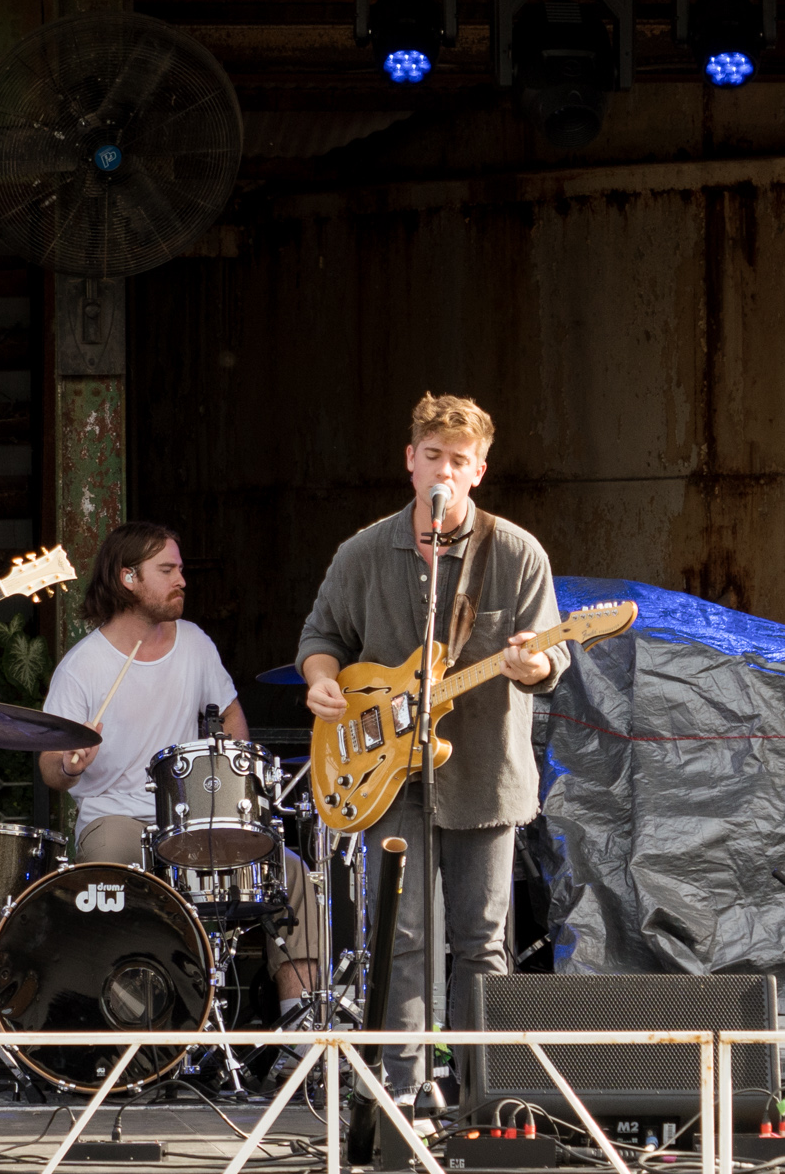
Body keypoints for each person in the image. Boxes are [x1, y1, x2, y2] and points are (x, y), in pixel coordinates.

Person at [296, 394, 566, 1048]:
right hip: (384, 775)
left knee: (482, 939)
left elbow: (555, 651)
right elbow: (320, 635)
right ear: (411, 461)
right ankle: (403, 1090)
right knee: (403, 938)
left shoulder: (517, 551)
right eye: (434, 456)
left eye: (461, 460)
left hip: (483, 773)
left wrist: (536, 667)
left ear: (479, 471)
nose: (446, 470)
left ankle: (481, 1095)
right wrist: (322, 681)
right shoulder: (361, 553)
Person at [40, 521, 319, 998]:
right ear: (128, 579)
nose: (181, 580)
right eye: (166, 570)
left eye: (180, 569)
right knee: (110, 864)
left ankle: (301, 1039)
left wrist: (235, 787)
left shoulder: (193, 642)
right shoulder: (82, 667)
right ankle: (123, 1018)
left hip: (189, 815)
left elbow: (232, 716)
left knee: (289, 871)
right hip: (116, 814)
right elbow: (50, 769)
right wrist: (70, 764)